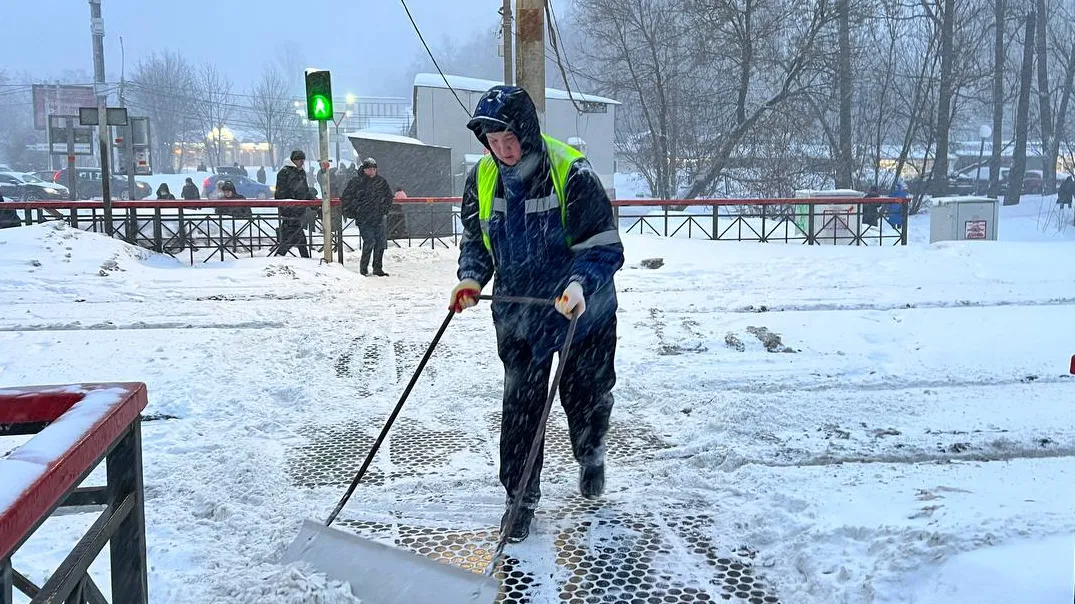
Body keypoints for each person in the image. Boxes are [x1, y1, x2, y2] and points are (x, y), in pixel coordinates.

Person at [448, 86, 624, 543]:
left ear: (526, 131)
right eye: (492, 142)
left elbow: (604, 247)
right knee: (522, 406)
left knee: (585, 395)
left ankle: (590, 454)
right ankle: (520, 498)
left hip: (581, 309)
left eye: (509, 139)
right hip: (519, 311)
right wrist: (470, 278)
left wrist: (579, 284)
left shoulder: (572, 172)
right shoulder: (482, 177)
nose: (502, 151)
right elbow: (476, 239)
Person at [341, 157, 394, 276]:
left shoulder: (381, 182)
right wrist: (355, 212)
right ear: (364, 169)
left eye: (374, 169)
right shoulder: (356, 182)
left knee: (380, 243)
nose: (372, 171)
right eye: (370, 169)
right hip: (364, 218)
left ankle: (377, 268)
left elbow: (389, 197)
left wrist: (384, 210)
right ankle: (363, 268)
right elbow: (346, 198)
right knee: (369, 241)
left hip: (378, 217)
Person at [274, 150, 314, 258]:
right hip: (289, 210)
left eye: (303, 160)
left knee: (294, 236)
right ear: (293, 160)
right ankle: (282, 256)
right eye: (299, 160)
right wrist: (291, 203)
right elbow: (280, 193)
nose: (302, 162)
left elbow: (304, 190)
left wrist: (312, 201)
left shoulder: (301, 173)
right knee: (295, 236)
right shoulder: (284, 173)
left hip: (297, 210)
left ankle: (280, 256)